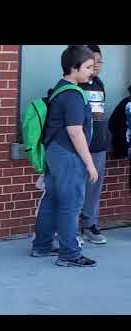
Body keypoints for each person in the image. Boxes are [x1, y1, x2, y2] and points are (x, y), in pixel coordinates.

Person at [33, 45, 98, 267]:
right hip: (69, 155)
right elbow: (75, 130)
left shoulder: (60, 89)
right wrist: (90, 164)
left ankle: (42, 246)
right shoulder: (72, 94)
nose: (92, 71)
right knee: (70, 204)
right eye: (88, 67)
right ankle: (69, 254)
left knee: (51, 199)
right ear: (73, 67)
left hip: (55, 152)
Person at [78, 45, 108, 244]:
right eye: (93, 60)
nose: (96, 65)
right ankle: (70, 230)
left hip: (99, 145)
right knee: (75, 188)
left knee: (93, 188)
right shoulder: (76, 85)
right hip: (80, 147)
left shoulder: (99, 84)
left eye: (100, 61)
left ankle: (90, 225)